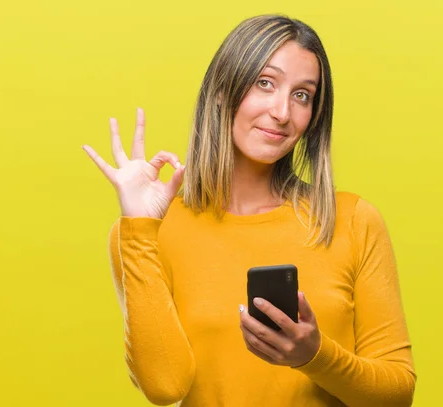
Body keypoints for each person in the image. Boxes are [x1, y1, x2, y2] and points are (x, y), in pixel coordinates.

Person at [82, 14, 416, 406]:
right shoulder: (150, 232)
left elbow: (397, 394)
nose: (282, 112)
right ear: (222, 91)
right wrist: (139, 230)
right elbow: (164, 386)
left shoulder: (353, 221)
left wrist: (314, 356)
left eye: (302, 95)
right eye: (265, 83)